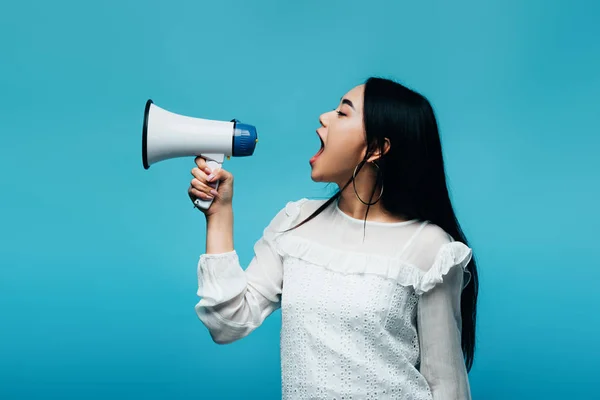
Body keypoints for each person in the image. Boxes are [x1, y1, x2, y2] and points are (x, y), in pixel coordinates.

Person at [188, 77, 479, 400]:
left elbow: (447, 387)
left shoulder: (430, 248)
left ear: (377, 149)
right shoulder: (295, 224)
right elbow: (227, 323)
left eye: (342, 113)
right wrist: (218, 214)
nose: (323, 118)